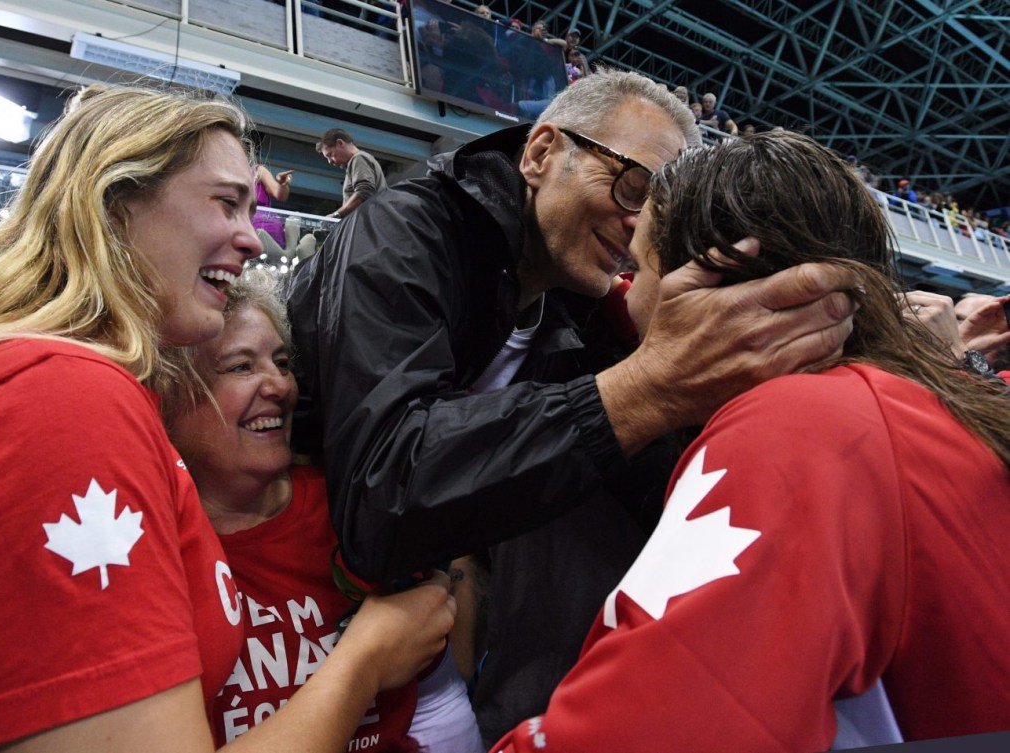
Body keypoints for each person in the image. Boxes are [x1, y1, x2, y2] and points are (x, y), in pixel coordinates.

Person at [288, 68, 859, 744]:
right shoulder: (405, 230)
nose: (637, 224)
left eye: (659, 215)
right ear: (539, 154)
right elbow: (380, 499)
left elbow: (651, 483)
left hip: (419, 632)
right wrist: (648, 386)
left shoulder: (580, 299)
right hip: (294, 607)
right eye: (630, 185)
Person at [0, 82, 454, 753]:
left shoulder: (69, 389)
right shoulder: (63, 401)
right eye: (227, 203)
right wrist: (363, 660)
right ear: (114, 202)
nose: (253, 239)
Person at [492, 130, 1010, 753]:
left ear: (713, 285)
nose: (627, 298)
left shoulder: (803, 429)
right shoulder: (939, 396)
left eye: (640, 264)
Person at [163, 268, 482, 752]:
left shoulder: (352, 502)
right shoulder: (152, 548)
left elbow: (451, 583)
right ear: (168, 397)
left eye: (283, 362)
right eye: (240, 367)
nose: (279, 386)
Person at [316, 128, 388, 220]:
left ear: (340, 143)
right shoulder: (357, 161)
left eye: (330, 155)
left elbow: (364, 192)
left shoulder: (359, 158)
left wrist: (336, 215)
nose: (330, 162)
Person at [252, 163, 295, 256]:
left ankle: (286, 256)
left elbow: (280, 195)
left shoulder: (257, 170)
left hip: (270, 230)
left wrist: (282, 184)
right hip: (246, 233)